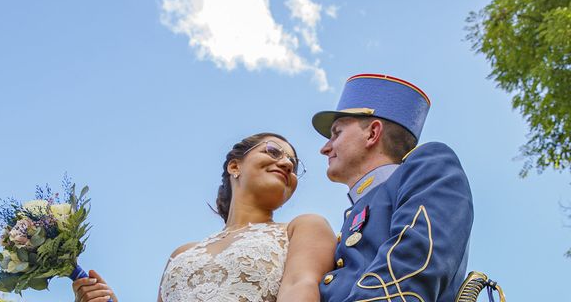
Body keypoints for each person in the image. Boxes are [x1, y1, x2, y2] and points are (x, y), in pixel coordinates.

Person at [73, 132, 336, 302]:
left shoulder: (303, 228)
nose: (287, 164)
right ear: (235, 166)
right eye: (272, 151)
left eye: (293, 164)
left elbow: (300, 288)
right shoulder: (181, 254)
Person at [312, 74, 474, 302]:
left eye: (336, 133)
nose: (325, 148)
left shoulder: (429, 163)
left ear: (372, 133)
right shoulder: (355, 212)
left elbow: (413, 266)